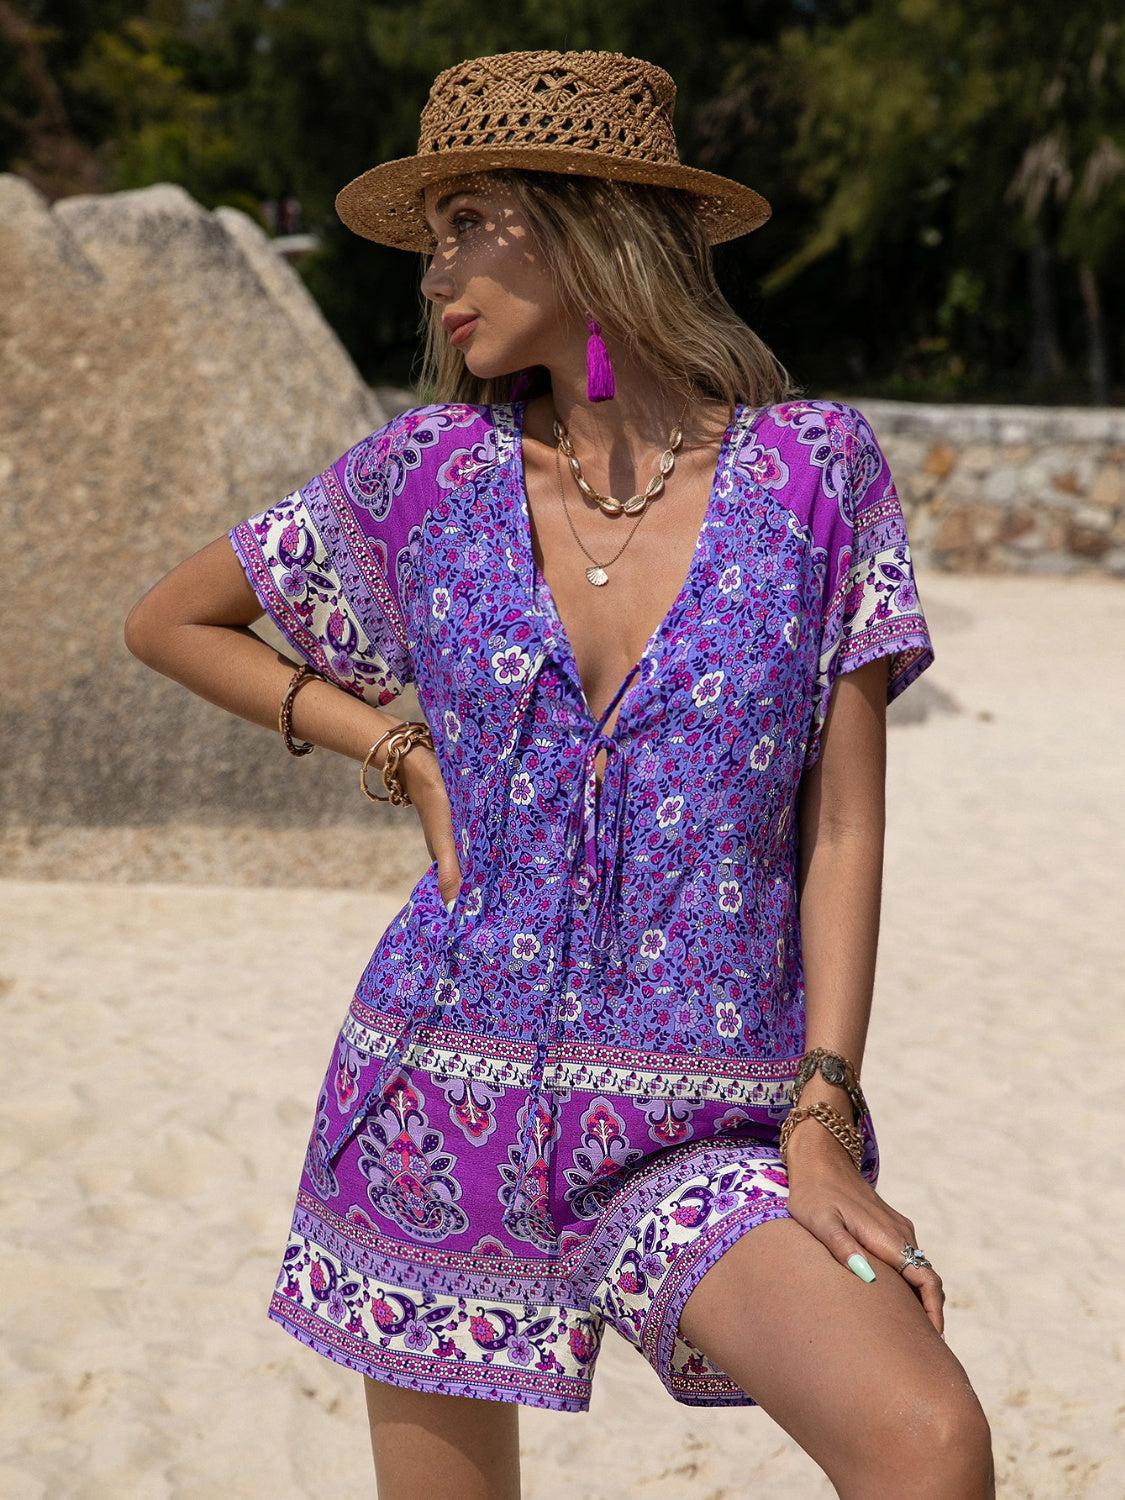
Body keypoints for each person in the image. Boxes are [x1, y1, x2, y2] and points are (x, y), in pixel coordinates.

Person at [124, 47, 994, 1500]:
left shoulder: (814, 476)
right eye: (432, 232)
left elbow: (841, 825)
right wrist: (395, 749)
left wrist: (822, 1117)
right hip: (434, 1099)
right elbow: (171, 621)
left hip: (703, 1122)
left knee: (924, 1439)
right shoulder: (420, 477)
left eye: (470, 222)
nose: (433, 272)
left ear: (585, 222)